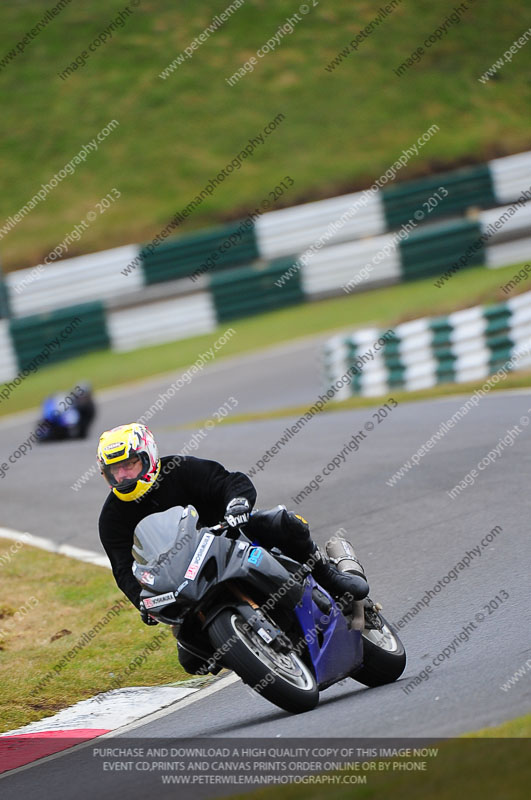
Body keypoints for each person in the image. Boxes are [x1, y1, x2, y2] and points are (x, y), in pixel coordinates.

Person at [97, 422, 369, 673]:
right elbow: (123, 568)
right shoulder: (111, 518)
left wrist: (237, 504)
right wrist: (141, 601)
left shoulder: (179, 470)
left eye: (129, 464)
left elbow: (230, 482)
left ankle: (328, 576)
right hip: (182, 578)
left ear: (148, 457)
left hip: (230, 537)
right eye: (114, 470)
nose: (123, 475)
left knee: (282, 522)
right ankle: (250, 650)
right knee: (193, 660)